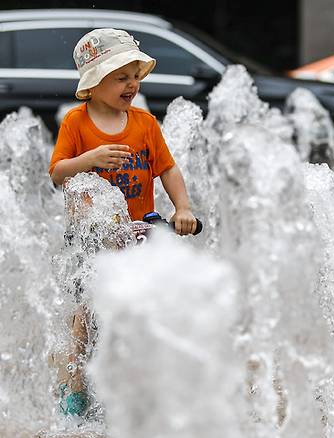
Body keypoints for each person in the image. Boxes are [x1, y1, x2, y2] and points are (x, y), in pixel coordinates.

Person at [48, 28, 198, 416]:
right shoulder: (76, 124)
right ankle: (75, 389)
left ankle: (144, 388)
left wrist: (182, 207)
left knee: (147, 310)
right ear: (94, 83)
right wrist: (89, 160)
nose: (132, 84)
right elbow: (58, 173)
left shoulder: (146, 124)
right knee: (87, 318)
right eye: (121, 76)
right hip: (93, 239)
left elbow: (168, 170)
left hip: (139, 236)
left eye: (135, 75)